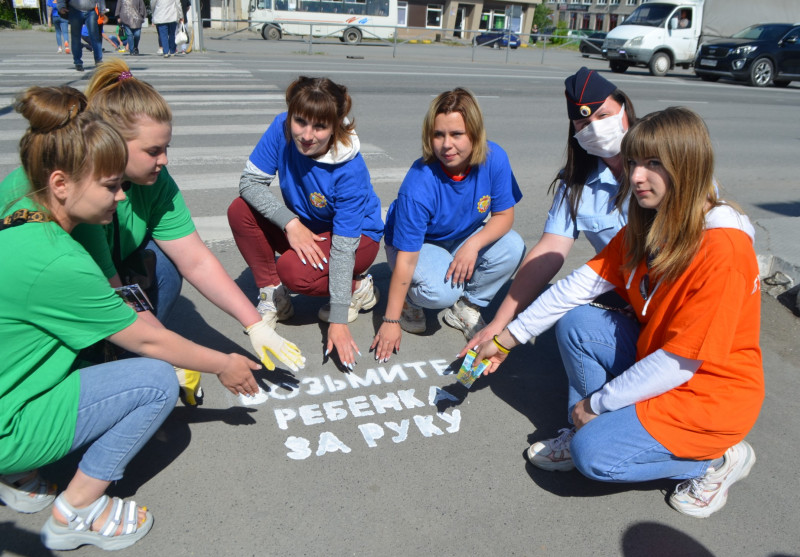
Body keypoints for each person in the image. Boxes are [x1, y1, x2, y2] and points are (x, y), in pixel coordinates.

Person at [0, 86, 261, 550]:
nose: (121, 197)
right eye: (110, 185)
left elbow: (186, 263)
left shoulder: (22, 215)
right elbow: (146, 340)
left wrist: (253, 323)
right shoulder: (62, 261)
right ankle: (76, 512)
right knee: (154, 382)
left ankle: (19, 469)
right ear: (61, 184)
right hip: (7, 428)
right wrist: (223, 363)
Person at [475, 106, 763, 518]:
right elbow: (578, 286)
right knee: (578, 322)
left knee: (593, 456)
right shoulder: (652, 224)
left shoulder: (724, 252)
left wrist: (598, 404)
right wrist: (505, 339)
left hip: (709, 395)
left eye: (653, 163)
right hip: (662, 359)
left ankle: (717, 460)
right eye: (633, 163)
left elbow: (679, 363)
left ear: (687, 165)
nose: (636, 176)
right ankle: (587, 427)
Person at [0, 60, 306, 389]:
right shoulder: (80, 199)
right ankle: (103, 359)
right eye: (153, 151)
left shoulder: (151, 180)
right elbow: (116, 292)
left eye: (166, 148)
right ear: (112, 144)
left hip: (93, 276)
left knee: (165, 263)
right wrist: (172, 356)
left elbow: (196, 260)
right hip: (46, 299)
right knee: (136, 371)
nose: (164, 160)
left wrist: (254, 324)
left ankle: (127, 351)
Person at [460, 67, 636, 367]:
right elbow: (549, 252)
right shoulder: (576, 182)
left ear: (624, 109)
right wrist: (500, 324)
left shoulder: (665, 158)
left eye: (604, 116)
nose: (595, 128)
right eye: (584, 123)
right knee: (573, 321)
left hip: (676, 294)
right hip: (623, 292)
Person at [228, 76, 384, 370]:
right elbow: (250, 183)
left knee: (292, 271)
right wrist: (290, 223)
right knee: (240, 210)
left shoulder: (350, 170)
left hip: (357, 239)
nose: (307, 135)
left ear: (335, 126)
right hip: (306, 226)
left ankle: (358, 288)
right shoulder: (281, 127)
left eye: (320, 126)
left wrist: (338, 319)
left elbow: (343, 249)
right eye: (300, 121)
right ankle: (273, 295)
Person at [371, 88, 525, 363]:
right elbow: (407, 259)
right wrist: (390, 320)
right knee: (442, 291)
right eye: (438, 134)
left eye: (456, 134)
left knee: (513, 246)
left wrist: (473, 245)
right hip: (415, 246)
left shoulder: (494, 158)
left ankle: (467, 305)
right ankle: (409, 301)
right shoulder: (419, 184)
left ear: (475, 133)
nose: (446, 145)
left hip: (461, 235)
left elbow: (504, 215)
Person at [57, 0, 104, 72]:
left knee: (95, 36)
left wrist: (102, 9)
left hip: (91, 10)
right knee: (76, 37)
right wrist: (61, 6)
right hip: (75, 10)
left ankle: (98, 60)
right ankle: (78, 62)